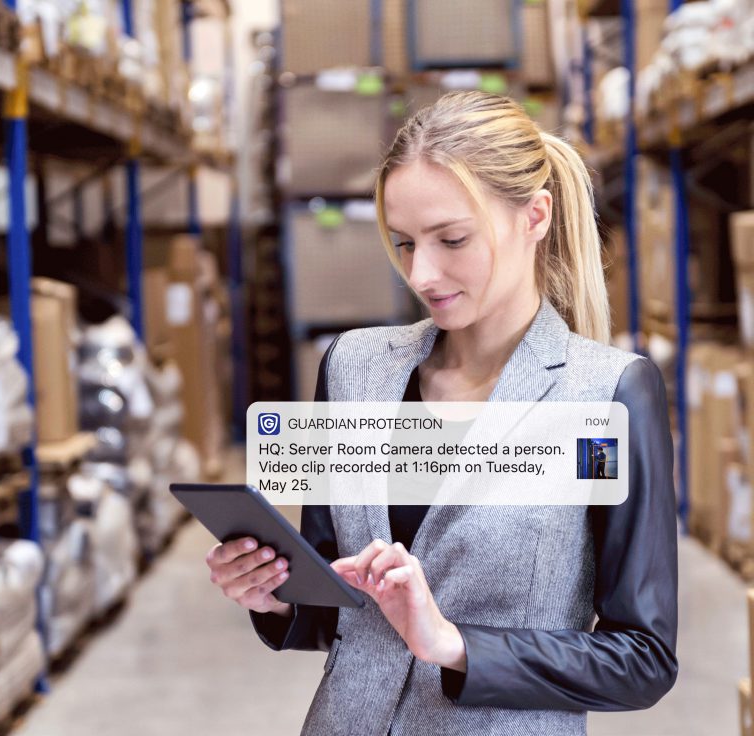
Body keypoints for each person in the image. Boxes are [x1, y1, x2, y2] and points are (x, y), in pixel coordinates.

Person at [204, 91, 678, 735]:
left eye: (452, 239)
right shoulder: (353, 369)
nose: (423, 274)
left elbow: (641, 661)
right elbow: (333, 607)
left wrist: (452, 644)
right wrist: (272, 596)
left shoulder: (608, 394)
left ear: (534, 217)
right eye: (403, 244)